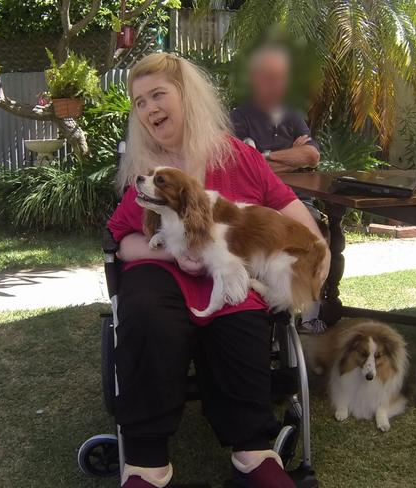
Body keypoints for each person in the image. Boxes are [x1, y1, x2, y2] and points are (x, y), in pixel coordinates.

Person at [108, 52, 330, 488]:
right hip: (161, 275)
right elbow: (123, 242)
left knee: (242, 315)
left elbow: (289, 208)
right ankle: (147, 464)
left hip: (228, 272)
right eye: (139, 102)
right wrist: (173, 255)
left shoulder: (236, 158)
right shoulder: (145, 171)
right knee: (148, 314)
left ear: (185, 96)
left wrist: (318, 249)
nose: (149, 108)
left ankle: (253, 453)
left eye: (158, 95)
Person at [230, 45, 325, 334]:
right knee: (269, 238)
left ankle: (308, 313)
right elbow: (245, 165)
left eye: (281, 78)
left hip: (299, 202)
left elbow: (312, 157)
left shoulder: (293, 115)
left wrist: (266, 157)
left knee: (320, 233)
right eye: (269, 77)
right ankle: (271, 310)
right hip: (260, 206)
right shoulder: (239, 116)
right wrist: (289, 158)